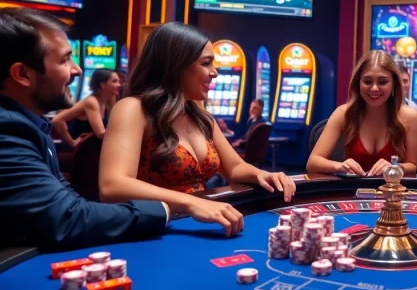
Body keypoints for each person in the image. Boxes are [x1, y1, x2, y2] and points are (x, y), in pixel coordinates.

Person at [98, 22, 295, 238]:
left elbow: (235, 168)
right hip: (156, 229)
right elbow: (112, 186)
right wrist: (191, 202)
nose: (215, 73)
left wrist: (264, 175)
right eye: (206, 63)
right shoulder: (133, 109)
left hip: (201, 224)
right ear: (176, 65)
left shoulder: (201, 117)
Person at [0, 8, 168, 249]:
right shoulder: (8, 130)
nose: (77, 70)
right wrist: (164, 209)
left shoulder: (31, 124)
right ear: (23, 74)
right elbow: (66, 219)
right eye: (65, 59)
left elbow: (70, 203)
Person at [308, 51, 417, 176]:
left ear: (394, 84)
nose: (374, 88)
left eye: (382, 82)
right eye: (367, 81)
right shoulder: (343, 114)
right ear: (358, 83)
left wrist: (394, 167)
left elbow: (412, 166)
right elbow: (312, 163)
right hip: (353, 192)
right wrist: (340, 166)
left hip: (392, 192)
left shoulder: (411, 117)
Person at [51, 68, 120, 147]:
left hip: (93, 148)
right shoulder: (91, 102)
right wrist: (72, 142)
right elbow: (56, 120)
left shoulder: (109, 99)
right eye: (114, 81)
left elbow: (115, 123)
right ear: (102, 84)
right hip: (79, 150)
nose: (119, 85)